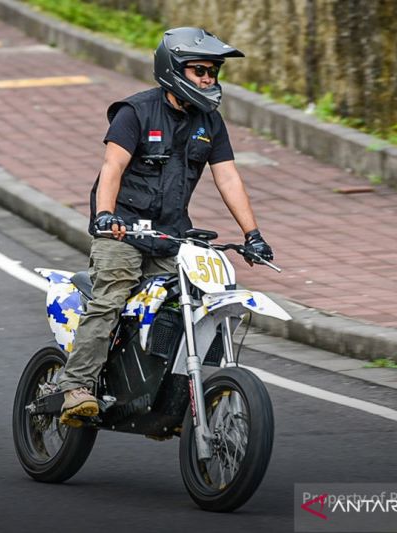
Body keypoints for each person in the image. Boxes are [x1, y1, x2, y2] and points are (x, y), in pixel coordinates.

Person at [57, 27, 274, 426]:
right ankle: (77, 385)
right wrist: (106, 217)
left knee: (198, 301)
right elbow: (113, 167)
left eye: (213, 72)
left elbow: (227, 177)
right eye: (201, 71)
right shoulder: (135, 112)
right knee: (111, 297)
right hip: (122, 232)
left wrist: (252, 235)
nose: (209, 79)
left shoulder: (210, 121)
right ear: (174, 70)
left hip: (172, 237)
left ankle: (163, 400)